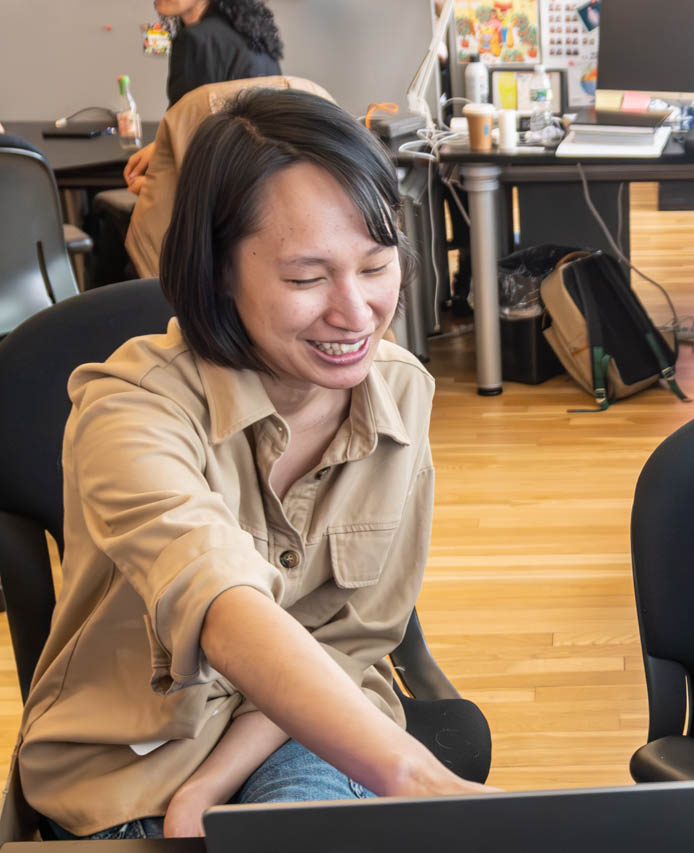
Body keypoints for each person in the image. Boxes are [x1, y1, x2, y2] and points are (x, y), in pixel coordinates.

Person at [17, 88, 494, 840]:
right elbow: (222, 603)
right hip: (129, 761)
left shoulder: (400, 389)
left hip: (306, 722)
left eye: (375, 266)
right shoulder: (128, 408)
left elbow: (348, 638)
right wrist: (420, 777)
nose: (356, 312)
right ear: (217, 272)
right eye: (307, 279)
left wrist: (213, 782)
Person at [123, 0, 283, 195]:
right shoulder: (255, 36)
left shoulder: (193, 40)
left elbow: (185, 139)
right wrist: (159, 147)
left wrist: (152, 187)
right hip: (260, 187)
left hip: (213, 196)